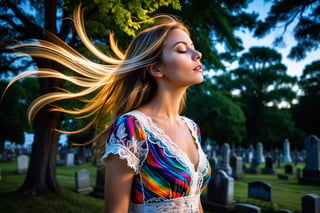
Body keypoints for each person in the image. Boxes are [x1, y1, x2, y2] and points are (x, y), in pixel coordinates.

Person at [6, 5, 211, 213]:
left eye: (193, 47)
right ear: (156, 68)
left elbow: (196, 202)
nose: (198, 54)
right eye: (182, 49)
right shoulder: (131, 127)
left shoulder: (191, 128)